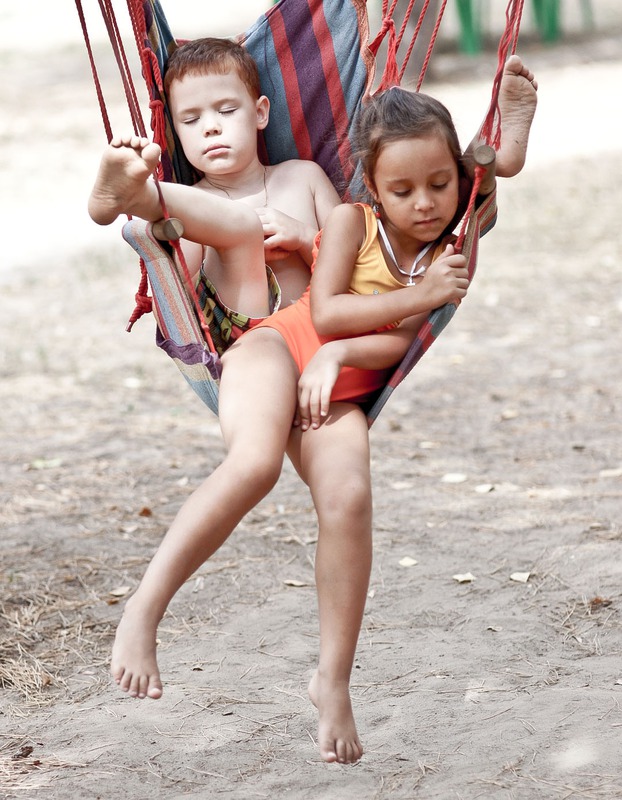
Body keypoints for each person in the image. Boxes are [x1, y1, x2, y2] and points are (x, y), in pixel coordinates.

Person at [88, 37, 537, 764]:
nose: (422, 202)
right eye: (402, 189)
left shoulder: (386, 222)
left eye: (226, 109)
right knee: (255, 461)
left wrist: (315, 253)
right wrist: (174, 235)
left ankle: (332, 680)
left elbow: (381, 307)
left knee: (350, 494)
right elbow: (305, 308)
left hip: (340, 376)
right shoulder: (317, 218)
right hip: (267, 345)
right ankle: (144, 610)